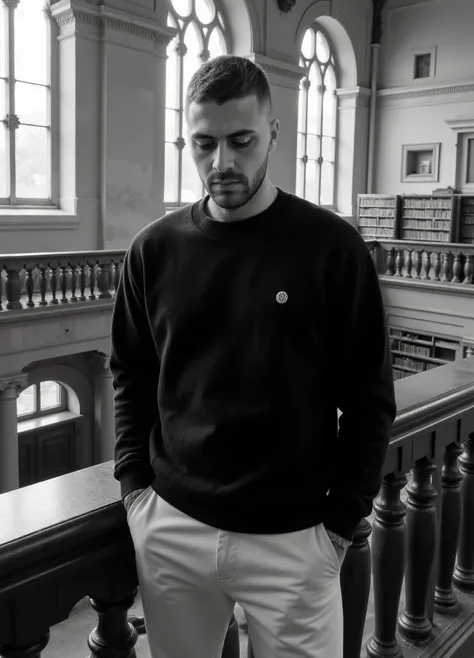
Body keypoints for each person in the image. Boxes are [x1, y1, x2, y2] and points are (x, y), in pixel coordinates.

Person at [111, 55, 396, 658]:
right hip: (172, 532)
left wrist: (340, 526)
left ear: (272, 132)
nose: (221, 164)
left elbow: (370, 399)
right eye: (203, 144)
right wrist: (135, 488)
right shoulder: (152, 251)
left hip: (294, 542)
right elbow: (130, 374)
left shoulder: (332, 248)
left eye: (241, 141)